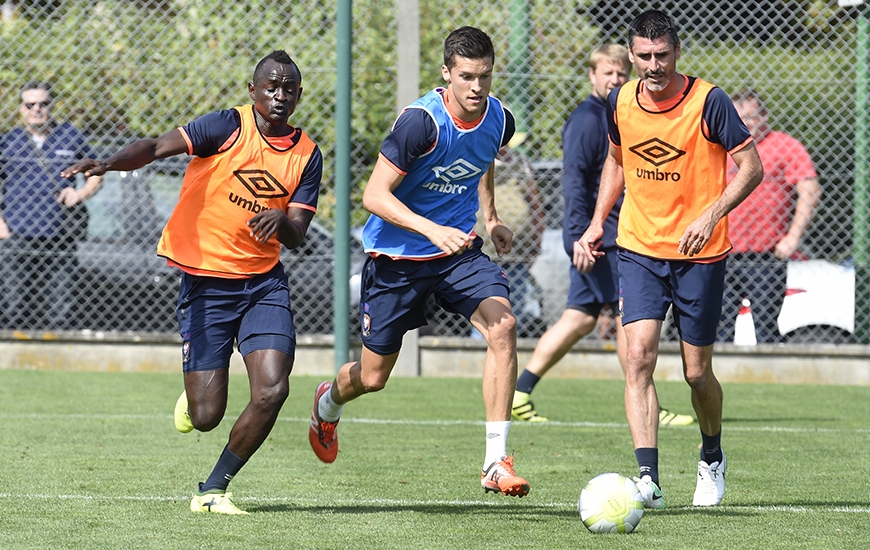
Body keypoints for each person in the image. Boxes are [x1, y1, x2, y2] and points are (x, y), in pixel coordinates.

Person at [61, 50, 322, 515]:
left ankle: (213, 488)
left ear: (299, 95)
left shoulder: (307, 154)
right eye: (271, 87)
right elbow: (156, 147)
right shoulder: (226, 126)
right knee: (206, 417)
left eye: (289, 89)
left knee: (273, 390)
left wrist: (281, 219)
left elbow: (299, 235)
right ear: (253, 91)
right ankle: (198, 387)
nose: (280, 95)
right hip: (206, 284)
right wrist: (108, 163)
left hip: (264, 284)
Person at [308, 26, 530, 498]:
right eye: (466, 77)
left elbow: (484, 156)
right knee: (372, 377)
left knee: (504, 327)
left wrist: (490, 218)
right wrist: (430, 228)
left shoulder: (499, 119)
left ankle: (495, 461)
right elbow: (373, 195)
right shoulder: (420, 124)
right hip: (398, 257)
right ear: (446, 73)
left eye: (484, 77)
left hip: (457, 253)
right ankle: (327, 404)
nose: (476, 87)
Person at [578, 10, 763, 508]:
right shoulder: (620, 101)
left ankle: (711, 455)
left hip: (699, 254)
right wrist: (598, 222)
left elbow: (751, 167)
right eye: (644, 56)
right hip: (638, 247)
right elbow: (618, 162)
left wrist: (711, 214)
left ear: (676, 53)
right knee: (637, 358)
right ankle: (648, 479)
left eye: (662, 55)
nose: (653, 65)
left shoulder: (709, 101)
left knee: (696, 373)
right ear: (632, 55)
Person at [511, 45, 694, 428]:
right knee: (629, 316)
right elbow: (574, 183)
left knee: (579, 317)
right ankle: (648, 407)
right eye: (607, 74)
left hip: (609, 235)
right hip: (601, 239)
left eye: (620, 74)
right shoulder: (588, 119)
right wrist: (578, 236)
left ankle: (519, 392)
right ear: (592, 76)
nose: (615, 80)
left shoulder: (618, 111)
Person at [718, 89, 821, 344]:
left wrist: (793, 237)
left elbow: (810, 190)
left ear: (764, 116)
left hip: (767, 253)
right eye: (739, 116)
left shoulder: (785, 146)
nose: (746, 123)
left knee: (765, 326)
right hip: (721, 250)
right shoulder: (719, 147)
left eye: (752, 116)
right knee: (717, 326)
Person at [0, 81, 103, 330]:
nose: (37, 109)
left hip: (60, 234)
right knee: (13, 307)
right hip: (15, 233)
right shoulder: (8, 141)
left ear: (52, 105)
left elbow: (96, 171)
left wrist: (81, 193)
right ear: (21, 108)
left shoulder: (70, 135)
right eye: (30, 104)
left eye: (43, 104)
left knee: (61, 307)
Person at [472, 144, 545, 338]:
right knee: (486, 312)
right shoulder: (478, 155)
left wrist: (537, 242)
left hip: (517, 255)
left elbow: (535, 204)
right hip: (483, 252)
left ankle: (505, 354)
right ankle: (480, 349)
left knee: (513, 311)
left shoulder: (520, 163)